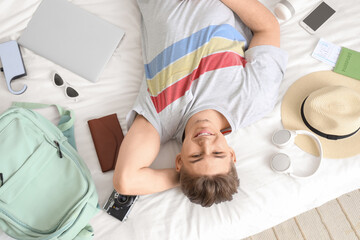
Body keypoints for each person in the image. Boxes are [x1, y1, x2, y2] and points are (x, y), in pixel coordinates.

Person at [113, 0, 288, 207]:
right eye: (218, 153)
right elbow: (267, 28)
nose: (205, 143)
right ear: (231, 154)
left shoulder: (160, 117)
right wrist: (193, 172)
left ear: (179, 161)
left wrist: (188, 179)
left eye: (195, 156)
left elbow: (126, 181)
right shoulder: (255, 100)